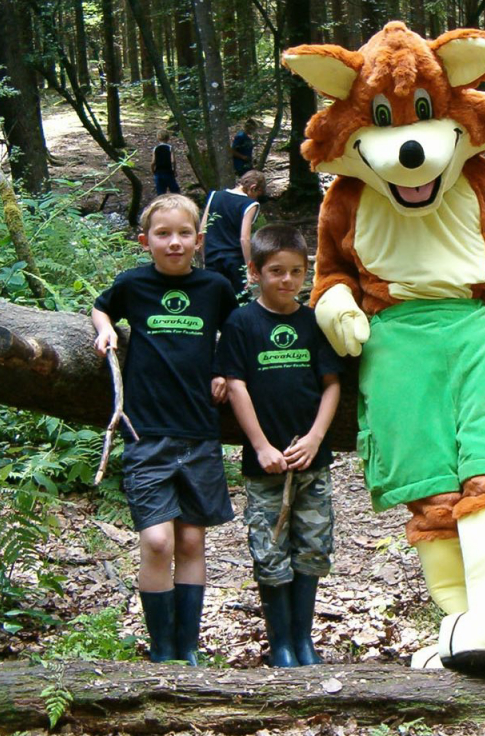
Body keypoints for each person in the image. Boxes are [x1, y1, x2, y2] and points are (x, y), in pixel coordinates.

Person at [91, 194, 237, 664]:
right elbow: (100, 307)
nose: (174, 242)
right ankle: (161, 649)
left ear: (198, 240)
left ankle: (186, 649)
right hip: (147, 431)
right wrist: (106, 329)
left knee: (192, 539)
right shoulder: (133, 284)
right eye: (162, 234)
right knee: (157, 540)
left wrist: (223, 369)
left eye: (183, 234)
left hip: (199, 430)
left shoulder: (215, 286)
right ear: (145, 241)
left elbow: (236, 335)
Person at [216, 224, 343, 667]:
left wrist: (314, 438)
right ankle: (281, 645)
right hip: (264, 464)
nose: (287, 280)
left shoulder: (313, 322)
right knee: (270, 551)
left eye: (296, 271)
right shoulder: (242, 323)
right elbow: (236, 385)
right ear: (254, 272)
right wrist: (262, 446)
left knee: (311, 547)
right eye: (276, 271)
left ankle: (303, 640)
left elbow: (331, 385)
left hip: (312, 461)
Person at [200, 170, 265, 296]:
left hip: (212, 256)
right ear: (253, 188)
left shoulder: (215, 195)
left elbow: (203, 228)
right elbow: (244, 238)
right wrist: (248, 267)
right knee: (240, 298)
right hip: (234, 260)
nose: (256, 198)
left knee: (213, 297)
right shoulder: (250, 204)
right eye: (257, 194)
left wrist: (204, 256)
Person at [151, 129, 181, 195]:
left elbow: (153, 162)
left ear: (158, 138)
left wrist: (153, 170)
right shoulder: (170, 147)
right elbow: (173, 161)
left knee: (160, 193)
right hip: (168, 172)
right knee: (175, 191)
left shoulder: (155, 148)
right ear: (168, 138)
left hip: (158, 173)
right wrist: (174, 170)